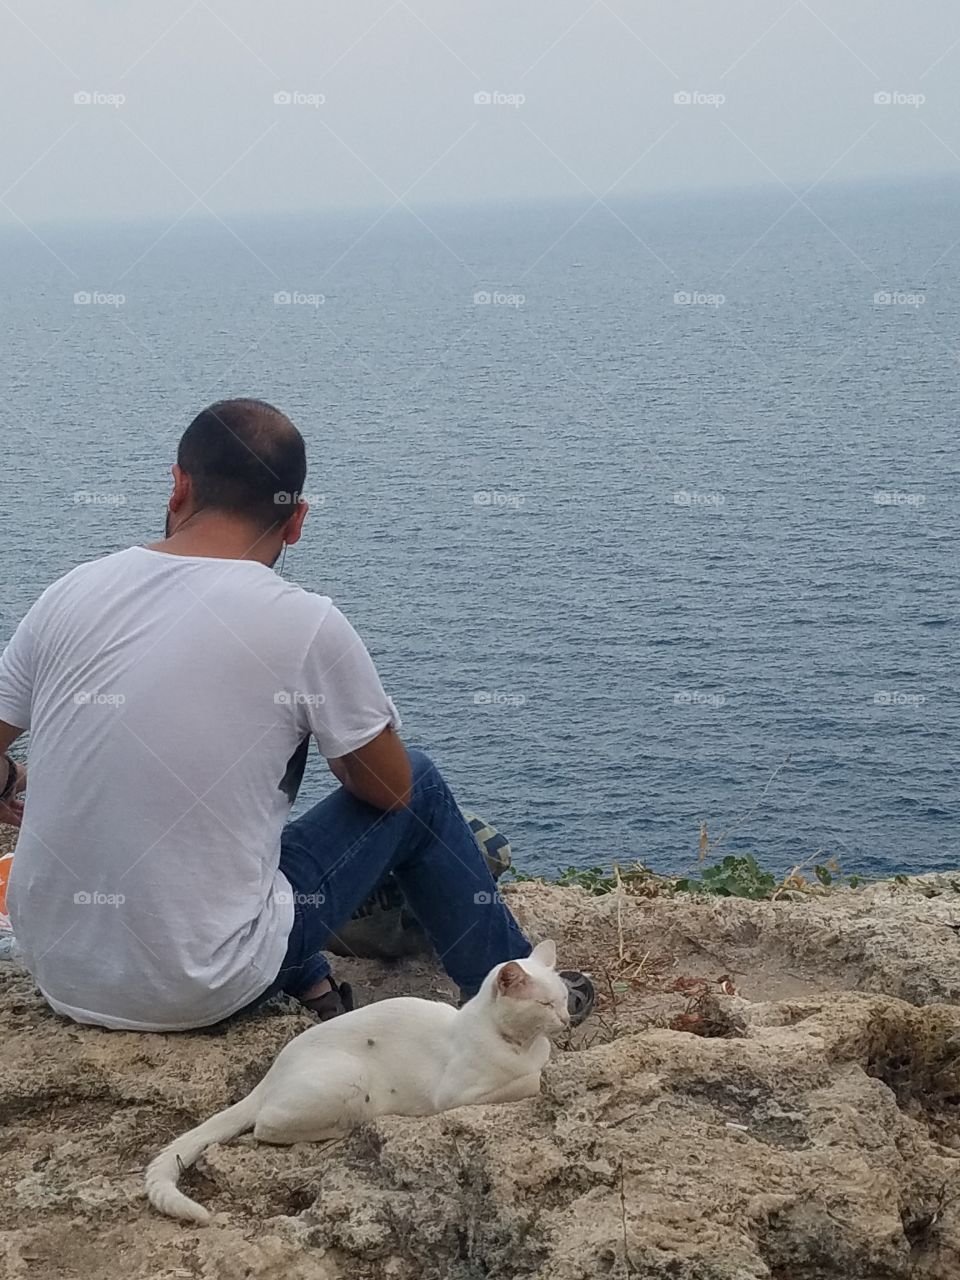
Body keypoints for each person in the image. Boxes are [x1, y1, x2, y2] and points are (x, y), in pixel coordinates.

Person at [0, 399, 593, 1031]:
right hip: (201, 986)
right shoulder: (305, 623)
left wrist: (11, 782)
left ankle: (312, 981)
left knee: (233, 841)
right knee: (418, 784)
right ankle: (514, 993)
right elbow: (389, 790)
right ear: (297, 520)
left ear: (178, 484)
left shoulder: (69, 593)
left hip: (60, 970)